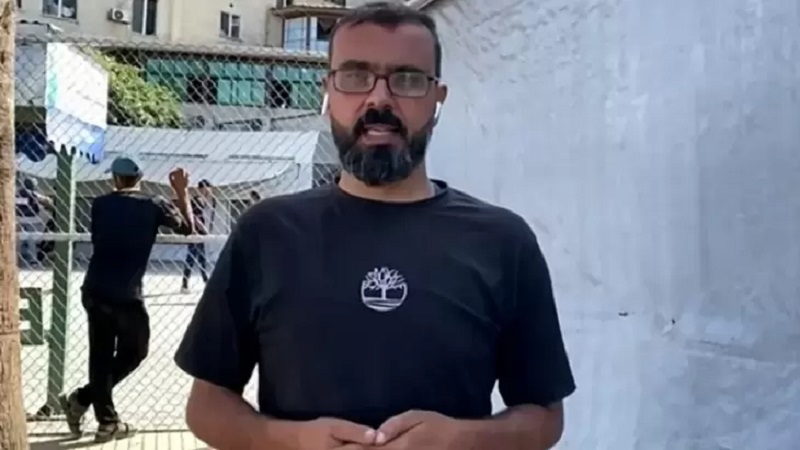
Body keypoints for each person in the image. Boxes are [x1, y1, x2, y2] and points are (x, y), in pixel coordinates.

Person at [175, 3, 576, 450]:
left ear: (437, 98)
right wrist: (291, 441)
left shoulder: (503, 242)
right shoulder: (266, 233)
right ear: (328, 91)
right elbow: (206, 406)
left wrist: (461, 440)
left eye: (407, 79)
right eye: (355, 76)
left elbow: (544, 417)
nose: (379, 99)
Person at [59, 157, 193, 443]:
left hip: (95, 288)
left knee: (100, 356)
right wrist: (182, 191)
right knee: (135, 352)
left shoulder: (100, 204)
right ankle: (99, 416)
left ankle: (88, 404)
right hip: (127, 293)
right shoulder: (154, 204)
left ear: (115, 179)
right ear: (140, 178)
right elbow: (187, 228)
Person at [181, 179, 214, 293]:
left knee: (201, 258)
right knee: (192, 258)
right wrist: (200, 228)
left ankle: (204, 280)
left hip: (200, 233)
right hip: (196, 233)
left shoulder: (203, 201)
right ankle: (185, 284)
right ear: (201, 189)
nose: (209, 191)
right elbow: (194, 216)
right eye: (207, 189)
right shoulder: (197, 200)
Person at [16, 177, 52, 266]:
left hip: (19, 218)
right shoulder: (32, 193)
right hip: (31, 219)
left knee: (18, 239)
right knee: (31, 239)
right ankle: (33, 260)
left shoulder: (18, 193)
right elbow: (45, 200)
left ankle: (16, 258)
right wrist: (47, 200)